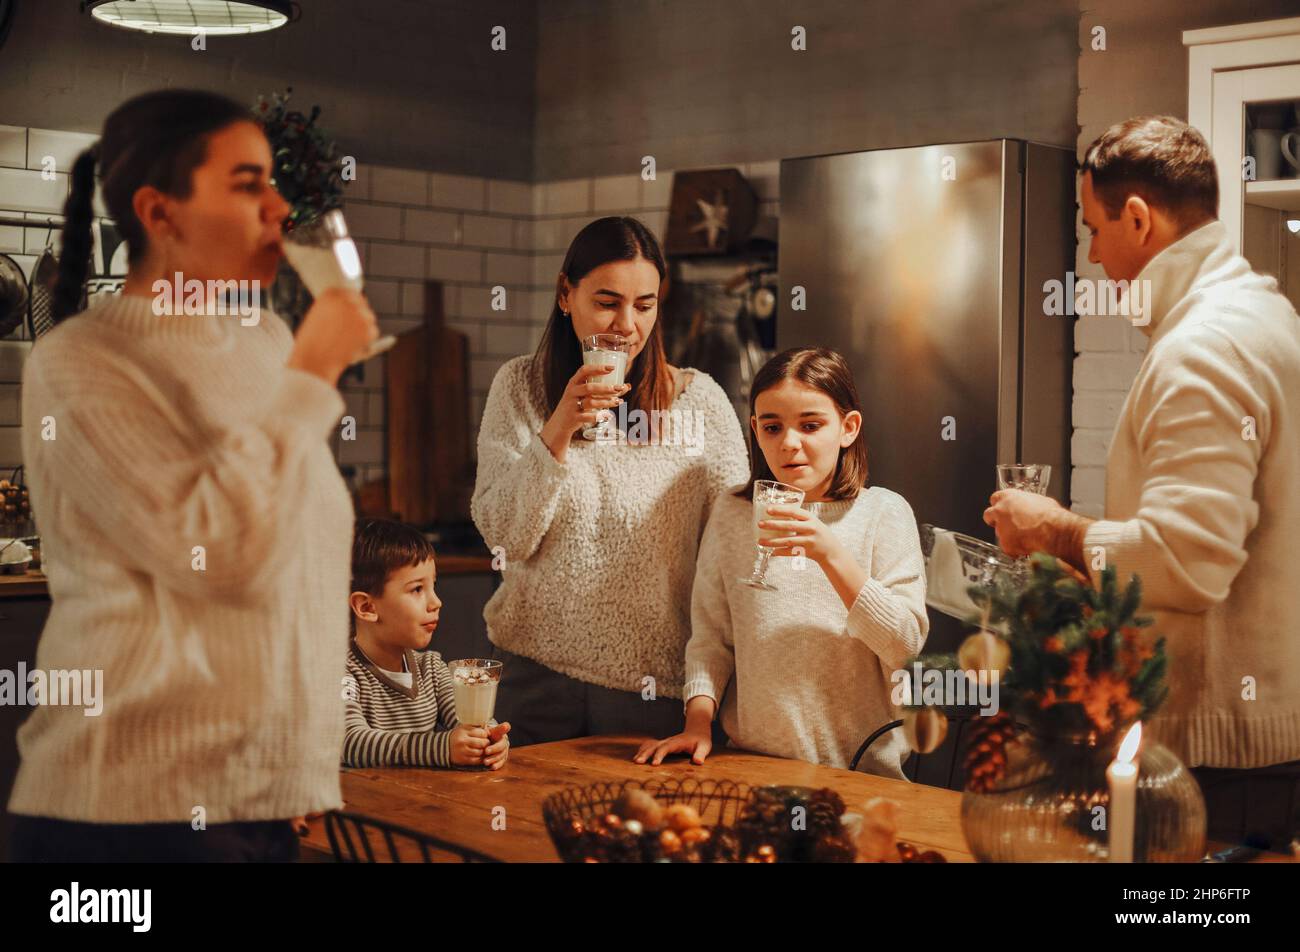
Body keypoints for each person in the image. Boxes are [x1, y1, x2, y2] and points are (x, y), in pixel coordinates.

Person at [8, 89, 378, 862]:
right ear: (160, 212)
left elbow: (291, 561)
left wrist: (289, 770)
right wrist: (315, 369)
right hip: (127, 813)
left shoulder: (266, 337)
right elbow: (224, 551)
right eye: (248, 185)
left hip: (257, 803)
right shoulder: (80, 361)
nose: (279, 207)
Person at [983, 115, 1300, 848]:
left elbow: (1187, 560)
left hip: (1221, 759)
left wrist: (1056, 530)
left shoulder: (1205, 347)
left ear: (1138, 218)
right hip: (1260, 746)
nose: (1094, 257)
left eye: (1095, 231)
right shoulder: (1265, 314)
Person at [471, 216, 750, 747]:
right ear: (564, 294)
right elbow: (507, 537)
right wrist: (558, 428)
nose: (626, 324)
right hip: (533, 676)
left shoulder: (699, 403)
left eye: (644, 305)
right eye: (607, 302)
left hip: (652, 691)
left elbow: (731, 557)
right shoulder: (520, 387)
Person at [635, 347, 929, 777]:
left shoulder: (884, 513)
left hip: (860, 773)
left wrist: (829, 553)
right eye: (772, 427)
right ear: (755, 430)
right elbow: (711, 639)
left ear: (848, 428)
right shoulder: (734, 513)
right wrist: (698, 724)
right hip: (750, 764)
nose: (789, 443)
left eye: (810, 425)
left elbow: (905, 646)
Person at [343, 519, 509, 769]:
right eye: (417, 589)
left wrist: (490, 739)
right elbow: (349, 741)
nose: (436, 602)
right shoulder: (342, 673)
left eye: (433, 586)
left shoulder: (431, 668)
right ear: (367, 607)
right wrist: (441, 747)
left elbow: (471, 722)